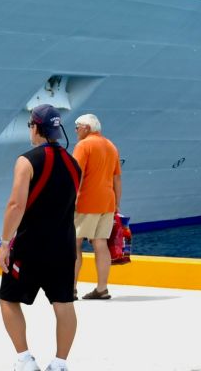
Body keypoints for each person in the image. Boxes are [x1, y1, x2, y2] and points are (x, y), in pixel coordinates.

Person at [0, 104, 81, 371]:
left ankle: (25, 360)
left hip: (30, 247)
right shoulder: (73, 164)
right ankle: (60, 363)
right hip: (64, 247)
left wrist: (4, 243)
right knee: (64, 303)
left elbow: (16, 205)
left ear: (35, 127)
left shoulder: (26, 161)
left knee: (8, 298)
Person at [71, 114, 121, 300]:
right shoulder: (111, 146)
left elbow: (76, 174)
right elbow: (117, 178)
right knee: (101, 244)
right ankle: (102, 288)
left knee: (74, 243)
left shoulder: (84, 145)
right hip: (107, 203)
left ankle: (70, 288)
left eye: (77, 127)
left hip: (86, 202)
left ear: (86, 127)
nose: (75, 131)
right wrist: (116, 204)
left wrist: (70, 199)